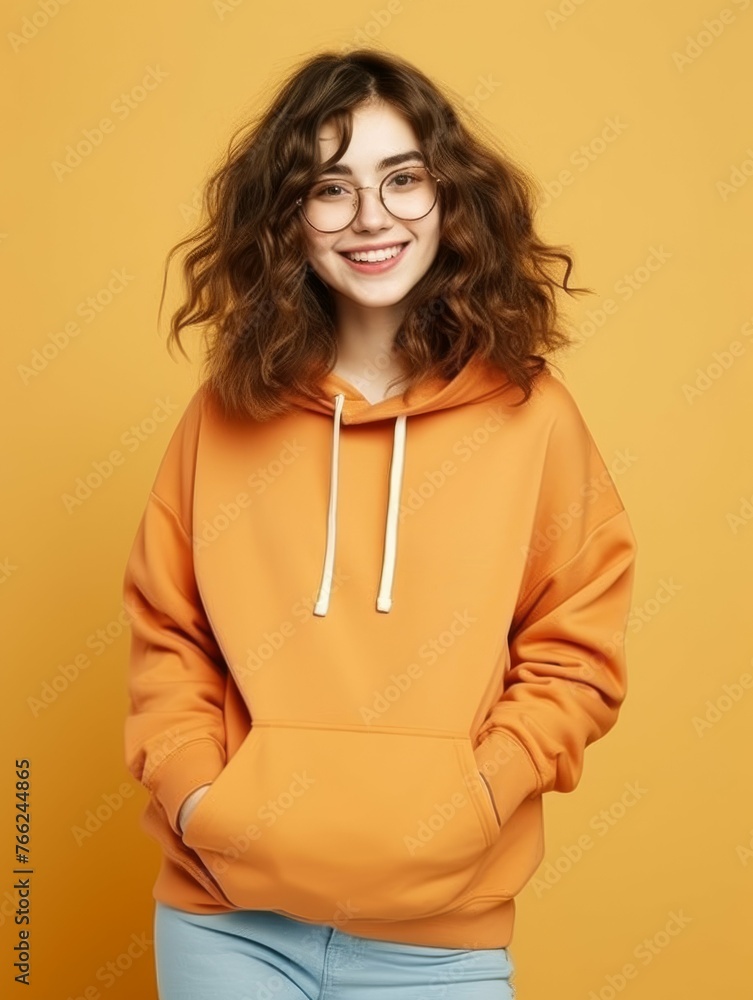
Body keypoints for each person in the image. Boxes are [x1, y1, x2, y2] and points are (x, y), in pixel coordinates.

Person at [122, 47, 638, 1000]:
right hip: (228, 926)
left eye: (403, 178)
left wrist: (479, 796)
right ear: (287, 218)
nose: (371, 217)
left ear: (449, 198)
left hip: (439, 940)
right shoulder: (224, 412)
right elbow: (168, 635)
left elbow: (578, 647)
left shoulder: (534, 416)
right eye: (330, 187)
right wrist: (202, 798)